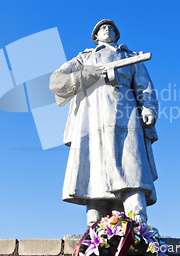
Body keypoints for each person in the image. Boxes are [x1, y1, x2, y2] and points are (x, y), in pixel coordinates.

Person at [49, 19, 159, 227]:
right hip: (91, 117)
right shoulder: (84, 58)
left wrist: (148, 108)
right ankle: (95, 227)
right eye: (102, 28)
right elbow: (57, 80)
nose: (106, 29)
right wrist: (89, 75)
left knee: (131, 165)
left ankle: (138, 224)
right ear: (96, 36)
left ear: (117, 36)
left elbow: (145, 87)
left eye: (111, 28)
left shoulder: (130, 57)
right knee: (95, 168)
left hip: (126, 116)